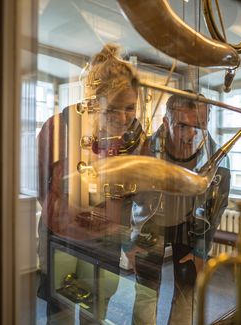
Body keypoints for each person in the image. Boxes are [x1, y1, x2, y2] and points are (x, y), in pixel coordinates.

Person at [37, 44, 146, 324]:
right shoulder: (59, 127)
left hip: (107, 238)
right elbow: (40, 184)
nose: (123, 119)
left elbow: (137, 192)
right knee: (59, 310)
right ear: (95, 103)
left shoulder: (135, 136)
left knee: (96, 310)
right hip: (61, 235)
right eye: (113, 110)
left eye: (130, 108)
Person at [124, 92, 231, 325]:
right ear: (166, 123)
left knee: (186, 294)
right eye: (182, 125)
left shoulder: (218, 157)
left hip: (191, 228)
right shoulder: (144, 150)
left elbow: (216, 206)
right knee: (146, 292)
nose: (192, 135)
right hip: (149, 227)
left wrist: (202, 249)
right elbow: (126, 195)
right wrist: (129, 240)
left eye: (200, 126)